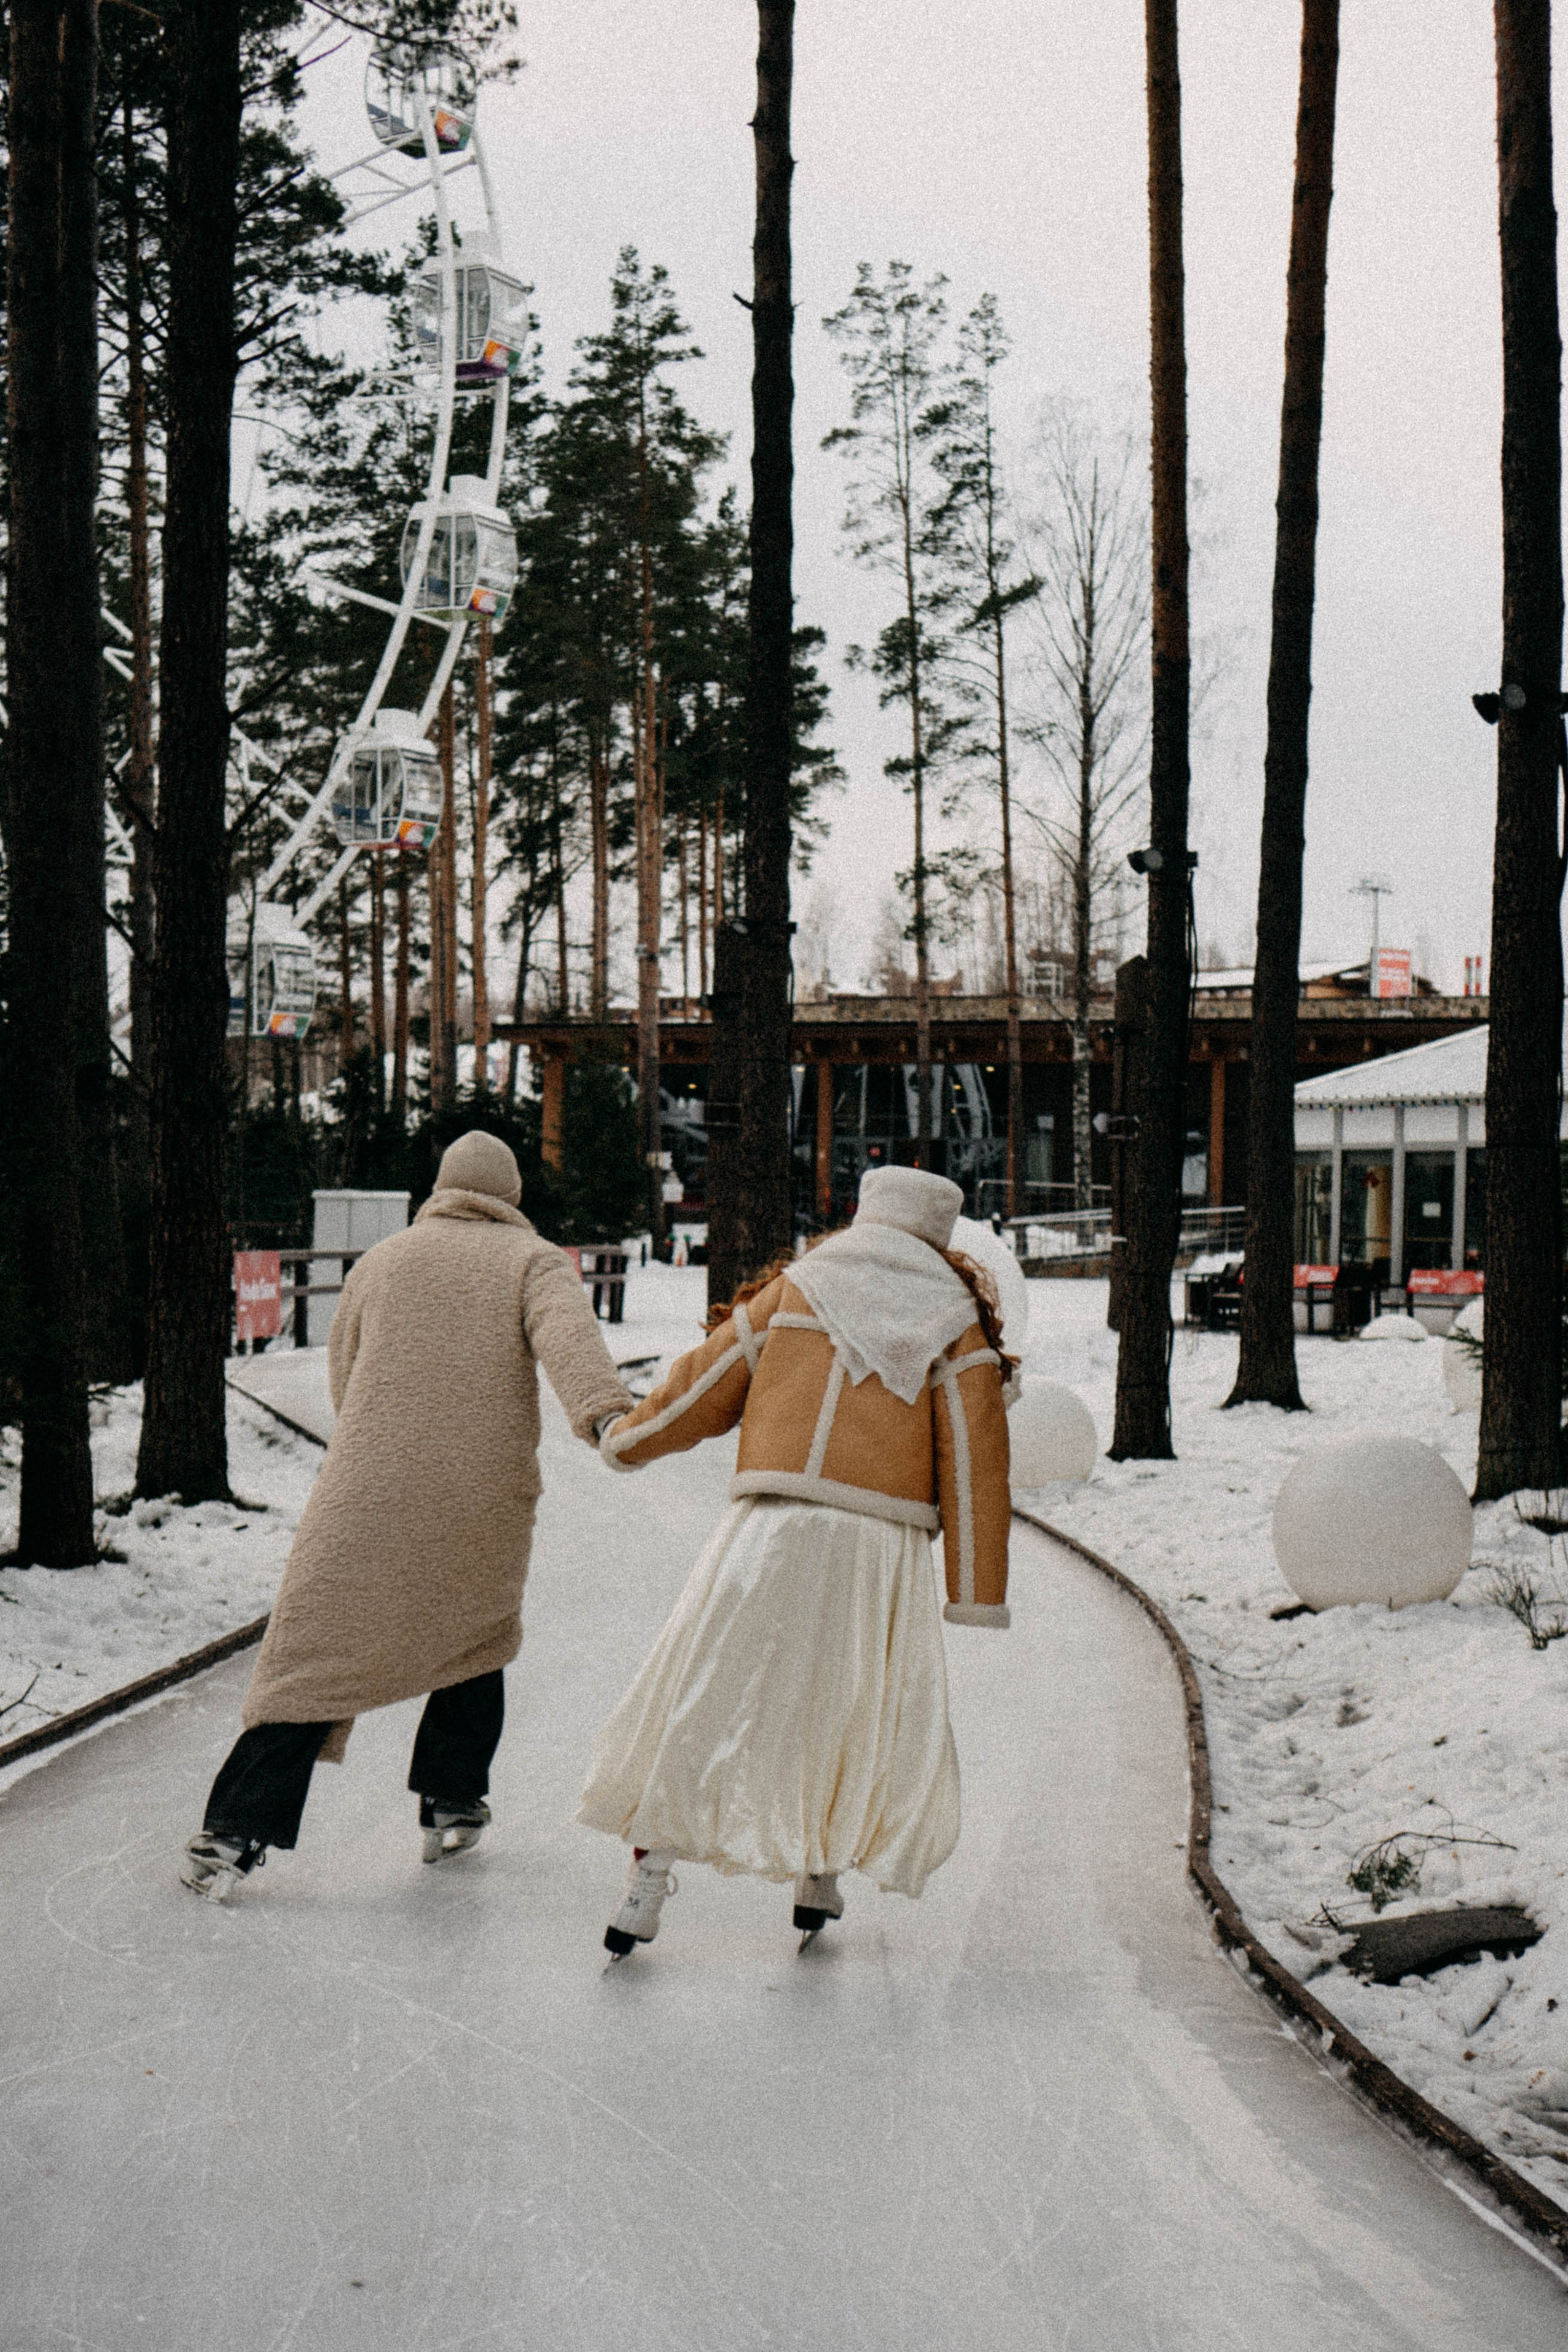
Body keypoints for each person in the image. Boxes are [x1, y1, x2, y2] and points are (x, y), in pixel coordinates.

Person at [181, 1131, 632, 1899]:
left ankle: (232, 1828)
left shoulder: (382, 1260)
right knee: (476, 1633)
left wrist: (374, 1442)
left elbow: (344, 1372)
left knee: (313, 1653)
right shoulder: (531, 1262)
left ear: (444, 1187)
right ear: (511, 1196)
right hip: (481, 1492)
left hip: (367, 1482)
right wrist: (606, 1418)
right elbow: (571, 1346)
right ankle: (452, 1801)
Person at [578, 1164, 1014, 1958]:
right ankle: (821, 1874)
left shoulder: (800, 1286)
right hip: (879, 1547)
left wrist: (626, 1441)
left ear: (861, 1213)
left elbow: (702, 1385)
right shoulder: (958, 1323)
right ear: (941, 1234)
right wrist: (977, 1591)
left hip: (772, 1524)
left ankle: (647, 1882)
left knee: (706, 1695)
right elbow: (977, 1463)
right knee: (849, 1706)